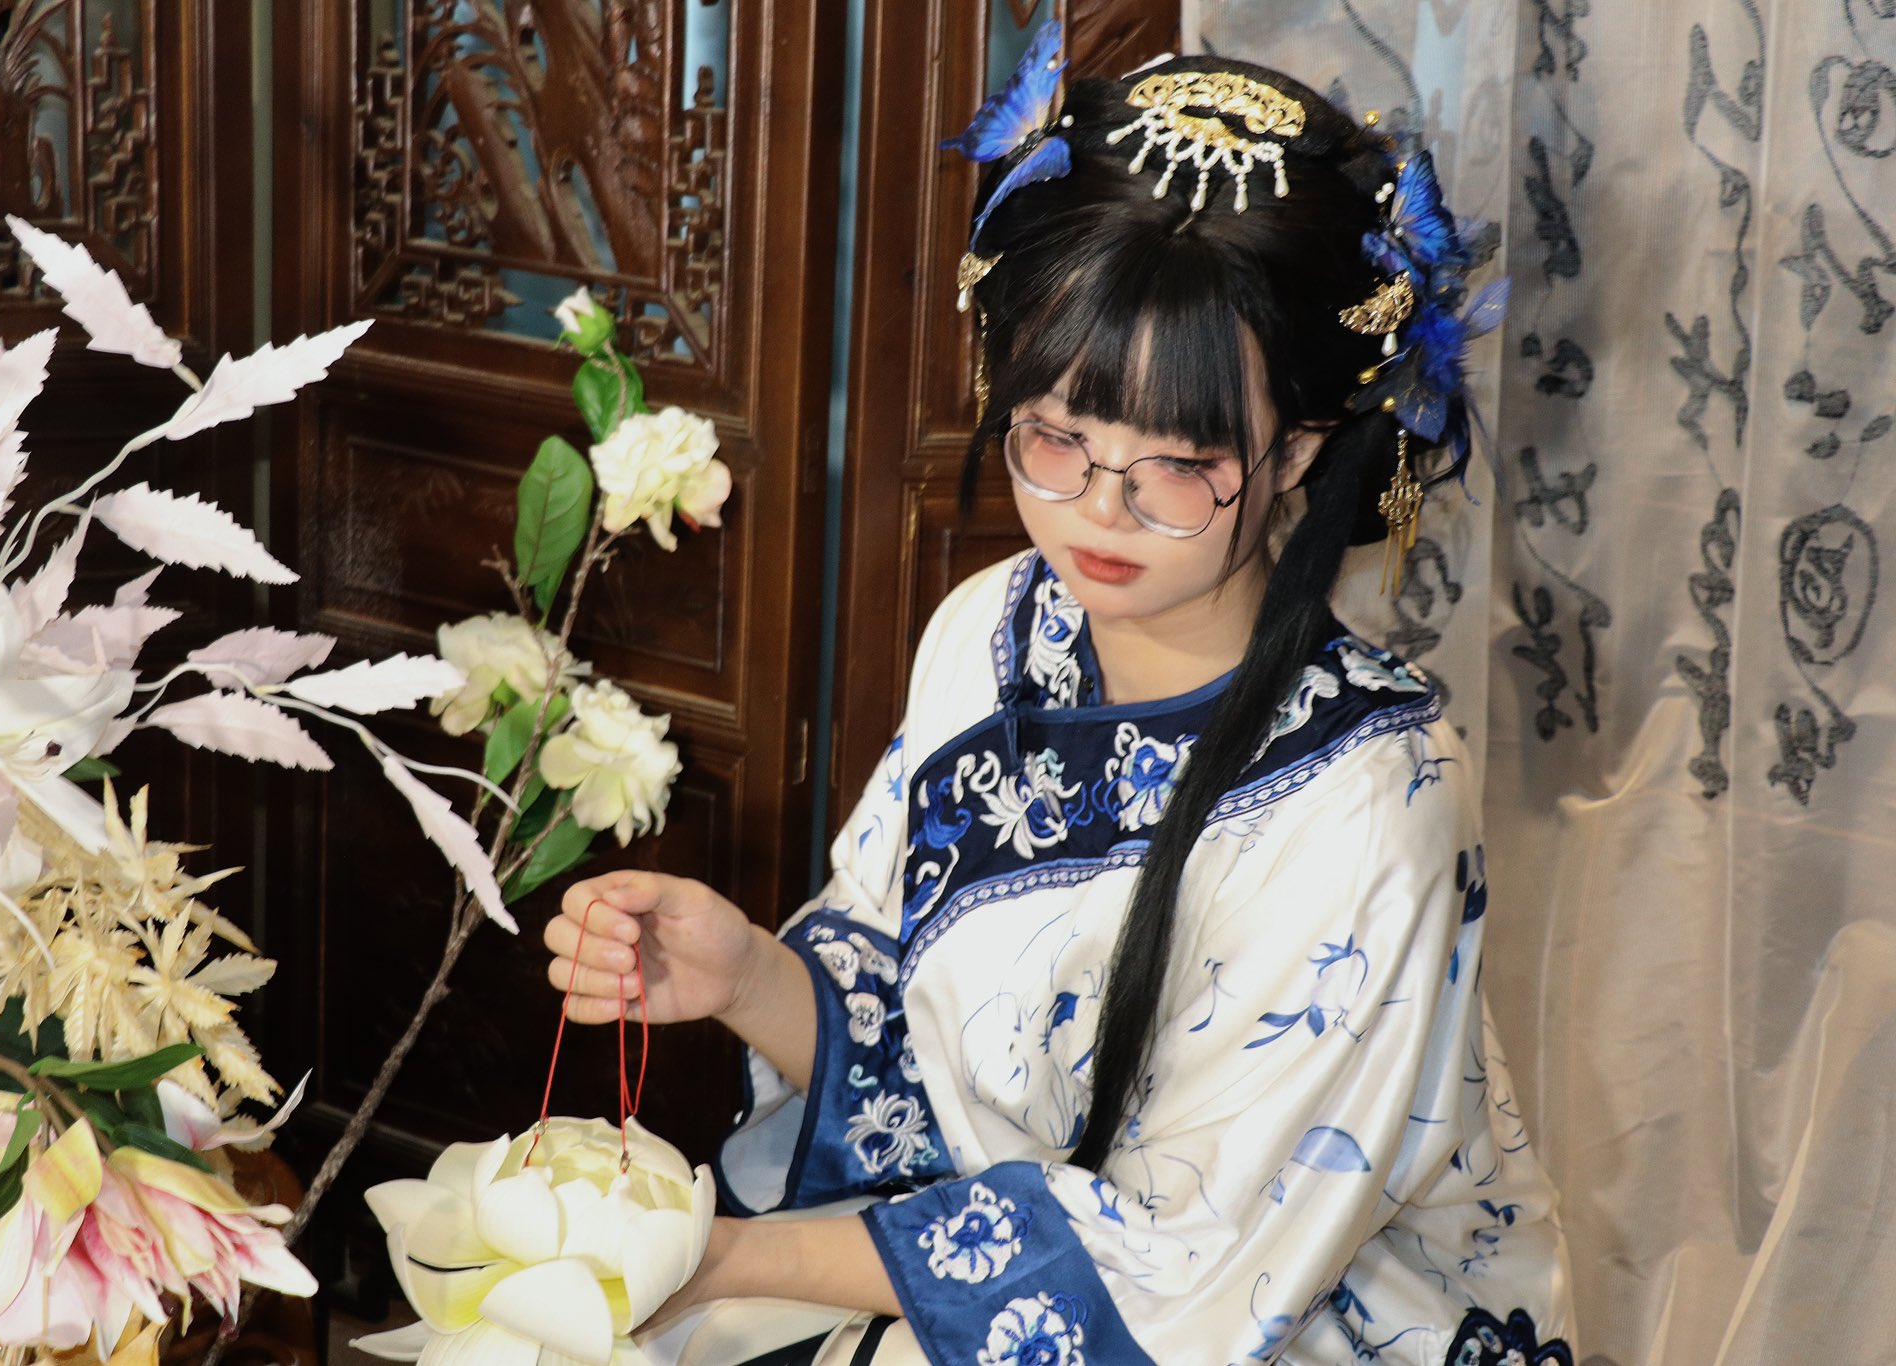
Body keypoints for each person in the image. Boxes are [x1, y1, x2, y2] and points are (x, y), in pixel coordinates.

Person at [545, 35, 1573, 1366]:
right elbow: (919, 1061)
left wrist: (735, 1258)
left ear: (1300, 454)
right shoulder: (993, 628)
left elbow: (1187, 1275)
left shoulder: (1374, 797)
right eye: (1056, 437)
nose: (1100, 509)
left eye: (1179, 461)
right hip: (998, 1271)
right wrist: (747, 973)